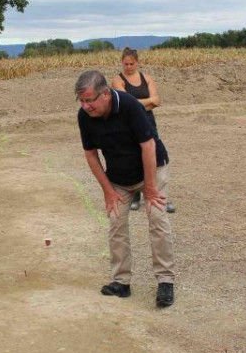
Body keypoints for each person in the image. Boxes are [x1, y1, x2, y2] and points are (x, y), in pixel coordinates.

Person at [75, 70, 176, 307]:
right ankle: (121, 282)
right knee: (116, 223)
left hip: (150, 169)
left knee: (157, 219)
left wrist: (150, 188)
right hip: (119, 177)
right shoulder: (84, 116)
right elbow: (91, 154)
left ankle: (165, 281)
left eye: (90, 100)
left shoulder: (131, 107)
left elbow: (148, 146)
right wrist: (108, 191)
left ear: (106, 94)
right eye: (82, 101)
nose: (86, 106)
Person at [110, 48, 175, 214]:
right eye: (126, 64)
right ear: (121, 63)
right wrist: (148, 103)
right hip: (128, 125)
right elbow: (126, 104)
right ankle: (136, 196)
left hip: (149, 123)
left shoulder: (147, 79)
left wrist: (138, 103)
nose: (129, 66)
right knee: (135, 157)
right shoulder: (117, 81)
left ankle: (160, 196)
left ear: (137, 62)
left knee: (155, 158)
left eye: (132, 63)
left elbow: (157, 100)